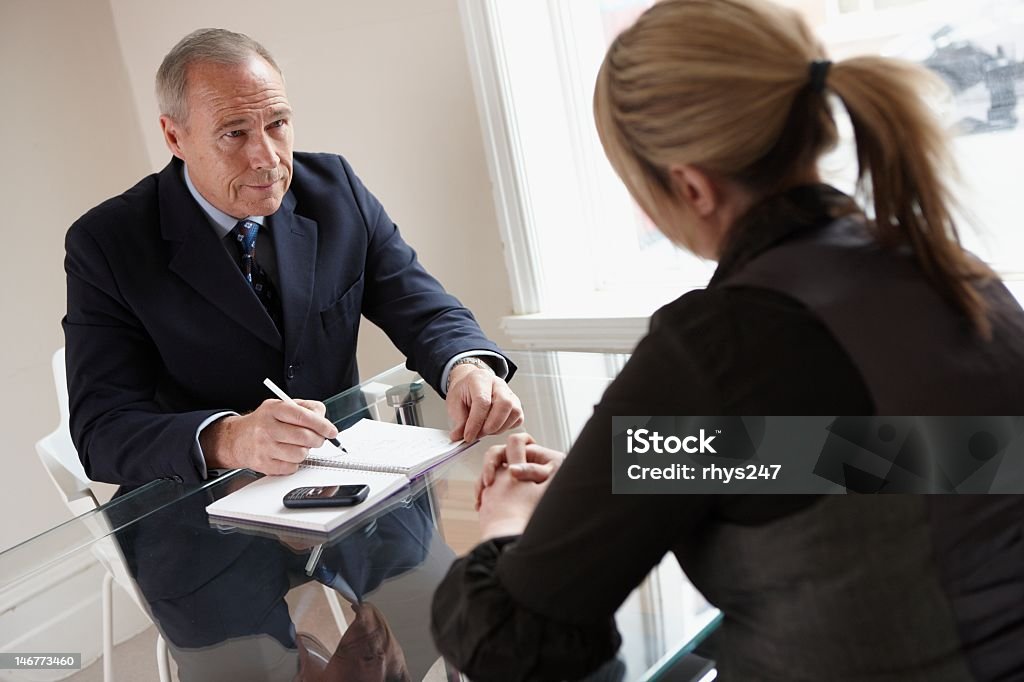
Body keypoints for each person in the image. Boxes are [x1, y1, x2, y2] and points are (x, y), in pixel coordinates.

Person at [431, 0, 1024, 680]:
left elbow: (511, 642)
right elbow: (922, 468)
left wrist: (511, 523)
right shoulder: (955, 277)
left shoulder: (719, 345)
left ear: (689, 185)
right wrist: (628, 473)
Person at [64, 28, 523, 487]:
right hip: (205, 519)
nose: (267, 158)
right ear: (175, 137)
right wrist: (229, 438)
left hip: (357, 486)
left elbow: (422, 309)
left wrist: (467, 366)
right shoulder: (106, 243)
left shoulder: (335, 188)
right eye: (234, 133)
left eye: (277, 123)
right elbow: (101, 432)